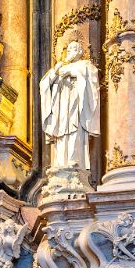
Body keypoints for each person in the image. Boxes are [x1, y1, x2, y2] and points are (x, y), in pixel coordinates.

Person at [39, 39, 101, 190]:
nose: (70, 51)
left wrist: (73, 73)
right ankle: (61, 163)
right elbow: (44, 84)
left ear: (80, 52)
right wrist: (55, 71)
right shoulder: (60, 66)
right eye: (69, 48)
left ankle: (74, 161)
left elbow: (92, 80)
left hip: (76, 104)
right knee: (61, 134)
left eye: (74, 48)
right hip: (61, 107)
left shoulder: (85, 65)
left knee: (74, 131)